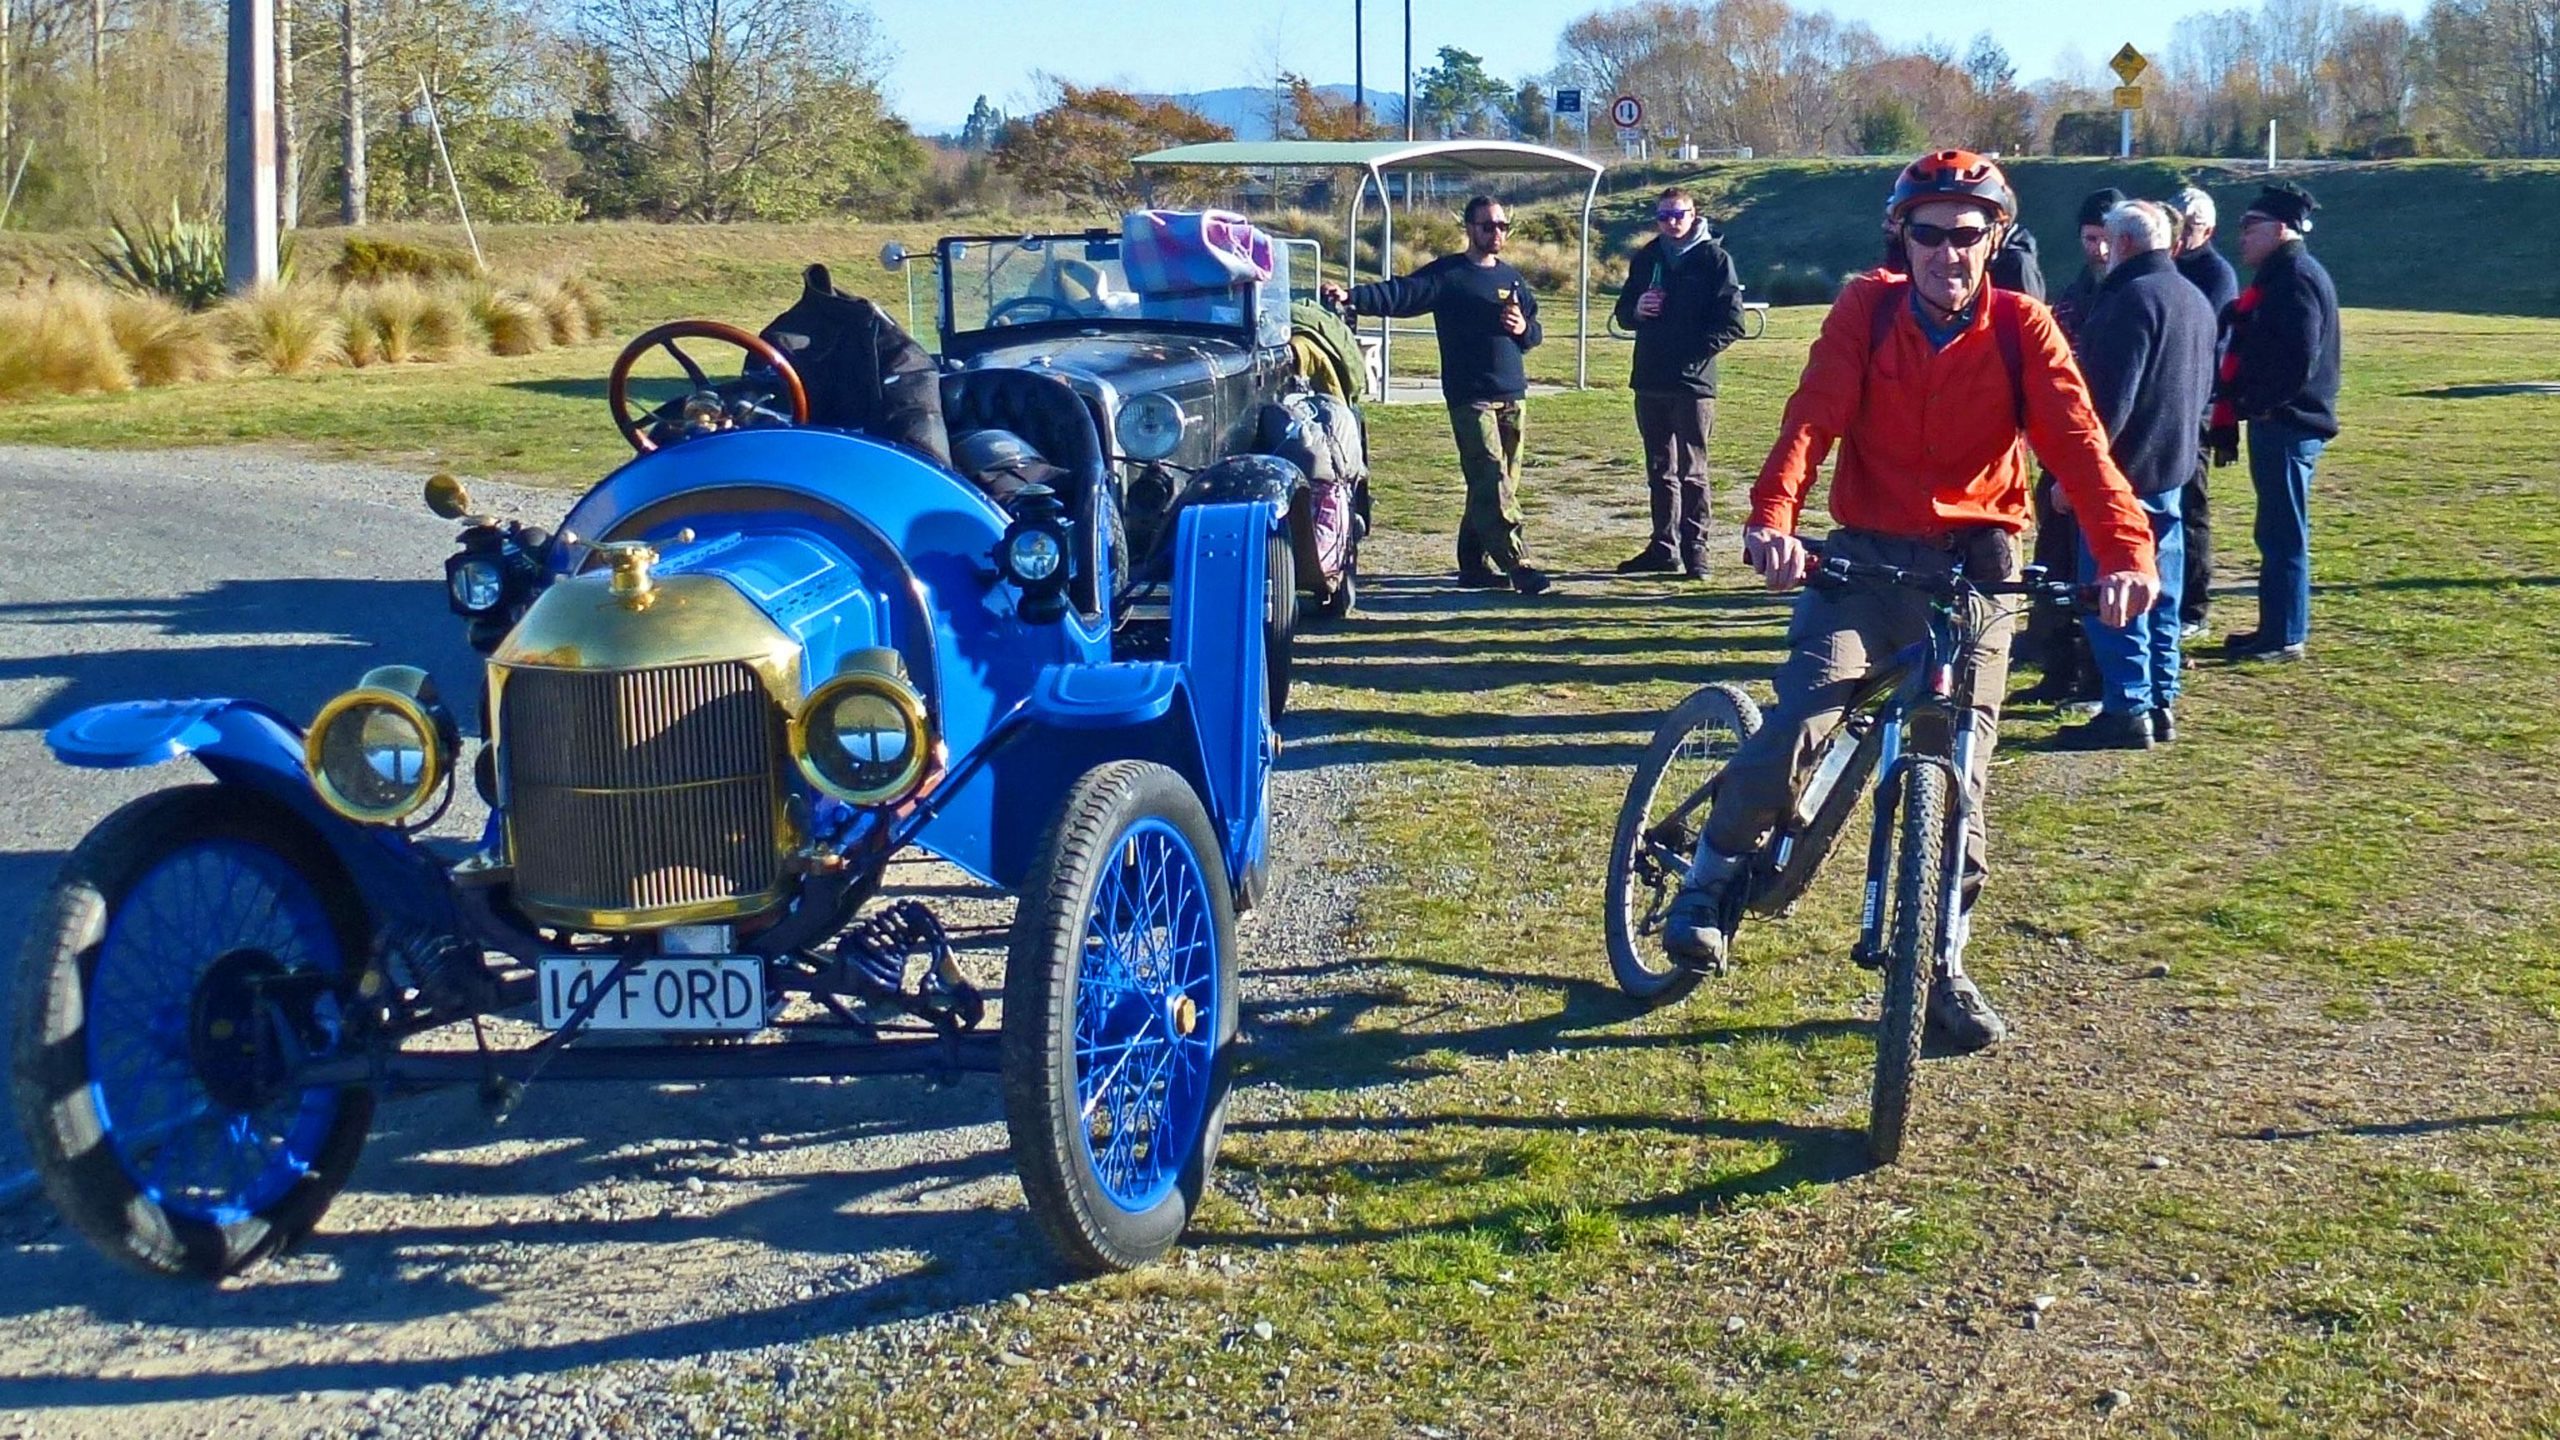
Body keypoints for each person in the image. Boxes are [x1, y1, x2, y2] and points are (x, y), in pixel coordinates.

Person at [1659, 150, 2161, 1050]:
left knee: (1961, 774)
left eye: (1967, 235)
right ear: (1903, 237)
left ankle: (1942, 964)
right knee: (1804, 719)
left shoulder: (2024, 328)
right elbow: (1810, 420)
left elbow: (2082, 452)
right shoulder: (1868, 307)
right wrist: (1774, 520)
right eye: (1928, 234)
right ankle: (1710, 875)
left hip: (1977, 567)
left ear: (1994, 239)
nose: (1947, 253)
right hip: (1865, 561)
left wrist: (2127, 552)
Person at [2052, 200, 2218, 751]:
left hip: (2122, 476)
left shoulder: (2128, 301)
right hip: (2173, 467)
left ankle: (2127, 705)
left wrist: (2075, 476)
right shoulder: (2193, 297)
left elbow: (2106, 405)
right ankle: (2160, 698)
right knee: (2163, 592)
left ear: (2122, 244)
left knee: (2114, 592)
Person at [1323, 196, 1550, 595]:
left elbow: (1534, 332)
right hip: (1470, 395)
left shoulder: (1512, 279)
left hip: (1512, 393)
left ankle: (1473, 563)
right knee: (1490, 477)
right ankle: (1519, 562)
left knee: (1498, 483)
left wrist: (1522, 329)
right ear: (1469, 229)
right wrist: (1351, 296)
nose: (1496, 233)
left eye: (1501, 226)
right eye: (1487, 226)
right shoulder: (1450, 275)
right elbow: (1402, 294)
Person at [2213, 182, 2340, 664]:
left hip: (2288, 423)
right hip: (2280, 421)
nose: (2241, 236)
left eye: (2251, 226)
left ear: (2280, 228)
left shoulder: (2294, 279)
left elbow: (2298, 359)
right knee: (2274, 529)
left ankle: (2286, 633)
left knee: (2284, 532)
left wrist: (2259, 402)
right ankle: (2275, 626)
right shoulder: (2280, 276)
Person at [1612, 187, 1747, 580]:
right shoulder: (1648, 257)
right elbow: (1622, 312)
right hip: (1650, 380)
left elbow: (1732, 323)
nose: (1671, 223)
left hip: (1692, 384)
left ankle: (1697, 551)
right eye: (1664, 216)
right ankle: (1663, 547)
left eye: (1678, 215)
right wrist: (1637, 310)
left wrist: (1693, 353)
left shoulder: (1714, 260)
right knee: (1659, 470)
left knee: (1692, 471)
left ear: (1694, 215)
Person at [2167, 186, 2239, 640]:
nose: (2183, 235)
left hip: (2198, 403)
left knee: (2191, 506)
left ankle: (2194, 606)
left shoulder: (2216, 274)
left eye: (2190, 227)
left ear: (2208, 231)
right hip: (2170, 400)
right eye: (2177, 224)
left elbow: (2205, 339)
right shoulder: (2169, 266)